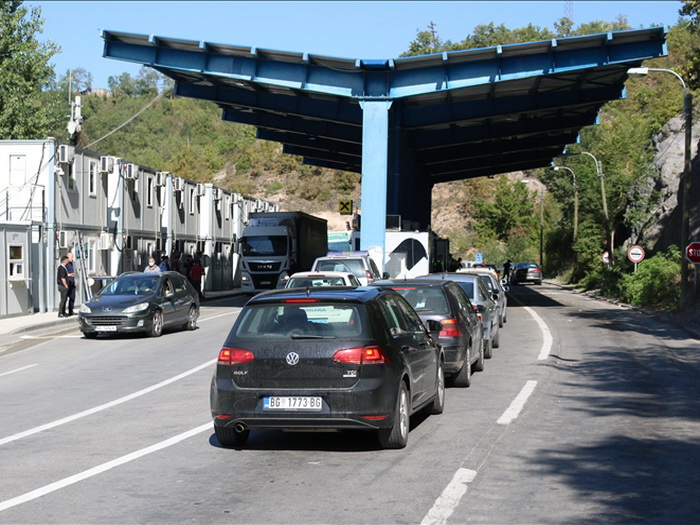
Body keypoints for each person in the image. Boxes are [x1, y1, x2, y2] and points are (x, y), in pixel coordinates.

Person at [65, 251, 77, 316]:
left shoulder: (72, 263)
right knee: (65, 298)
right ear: (68, 257)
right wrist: (69, 275)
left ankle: (71, 310)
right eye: (71, 257)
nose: (72, 258)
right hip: (67, 283)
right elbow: (63, 273)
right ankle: (63, 311)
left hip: (72, 283)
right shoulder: (66, 264)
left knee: (72, 297)